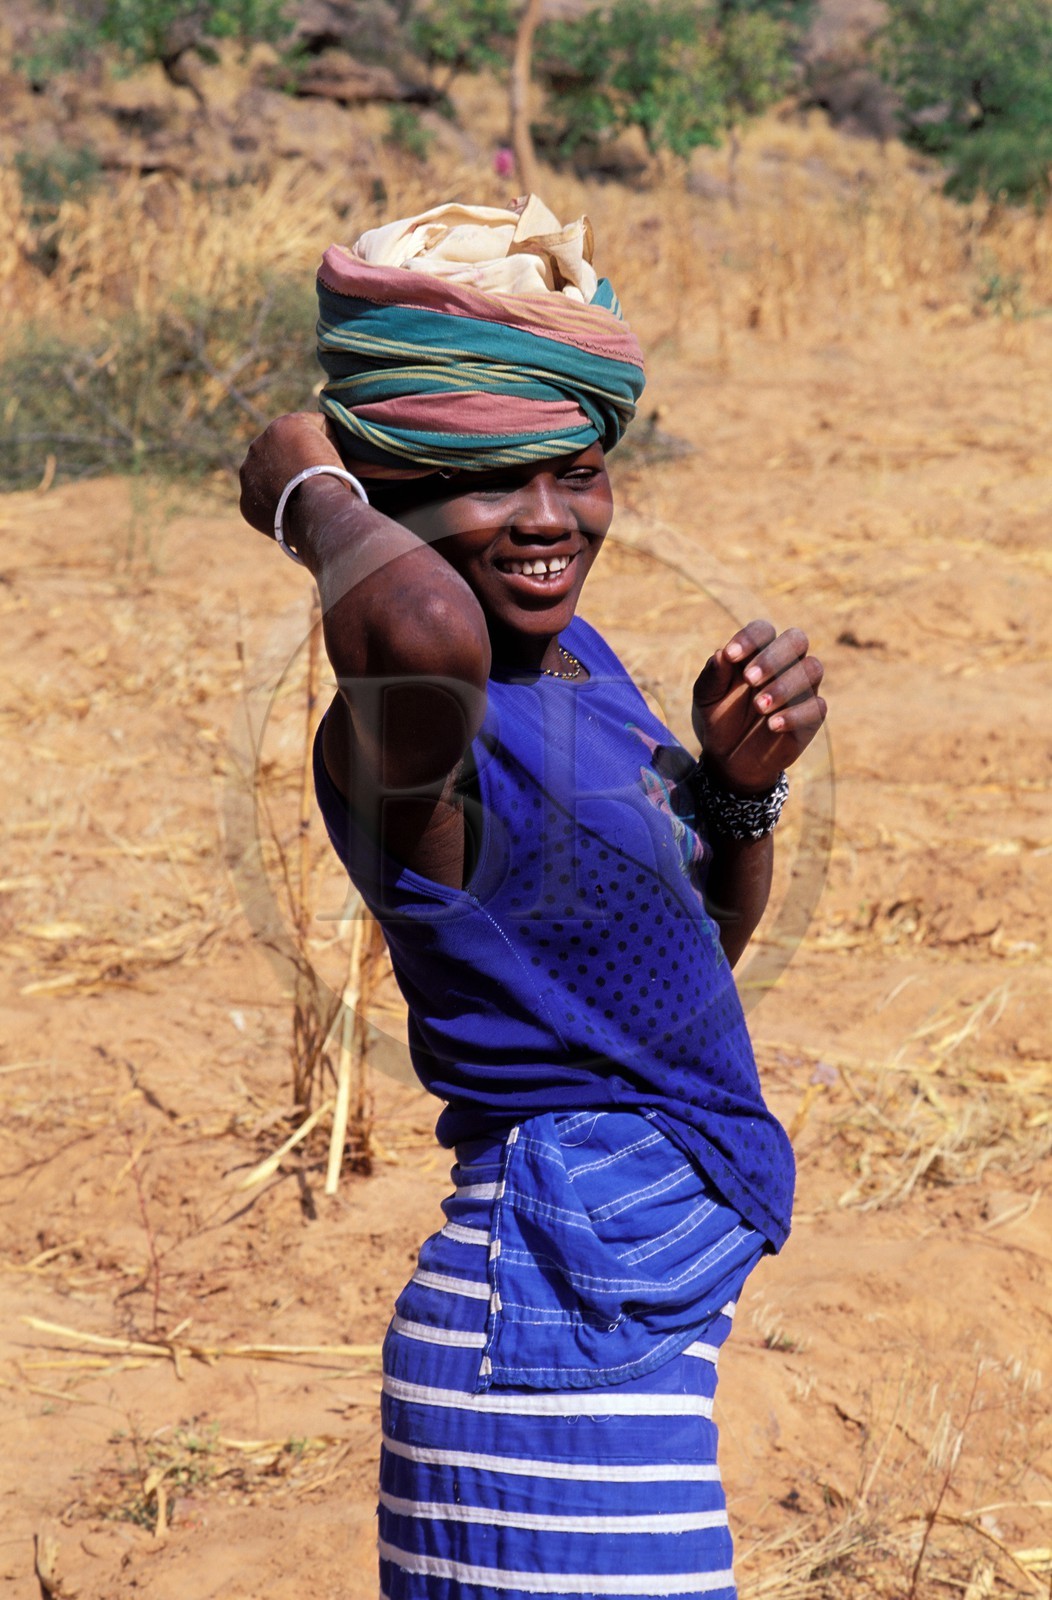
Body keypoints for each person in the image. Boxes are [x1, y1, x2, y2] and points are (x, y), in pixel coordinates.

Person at [239, 196, 827, 1600]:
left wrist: (739, 796)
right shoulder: (410, 726)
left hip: (600, 1328)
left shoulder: (578, 666)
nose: (551, 520)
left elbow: (674, 973)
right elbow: (420, 621)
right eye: (494, 479)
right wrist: (304, 487)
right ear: (394, 486)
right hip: (550, 1350)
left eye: (580, 471)